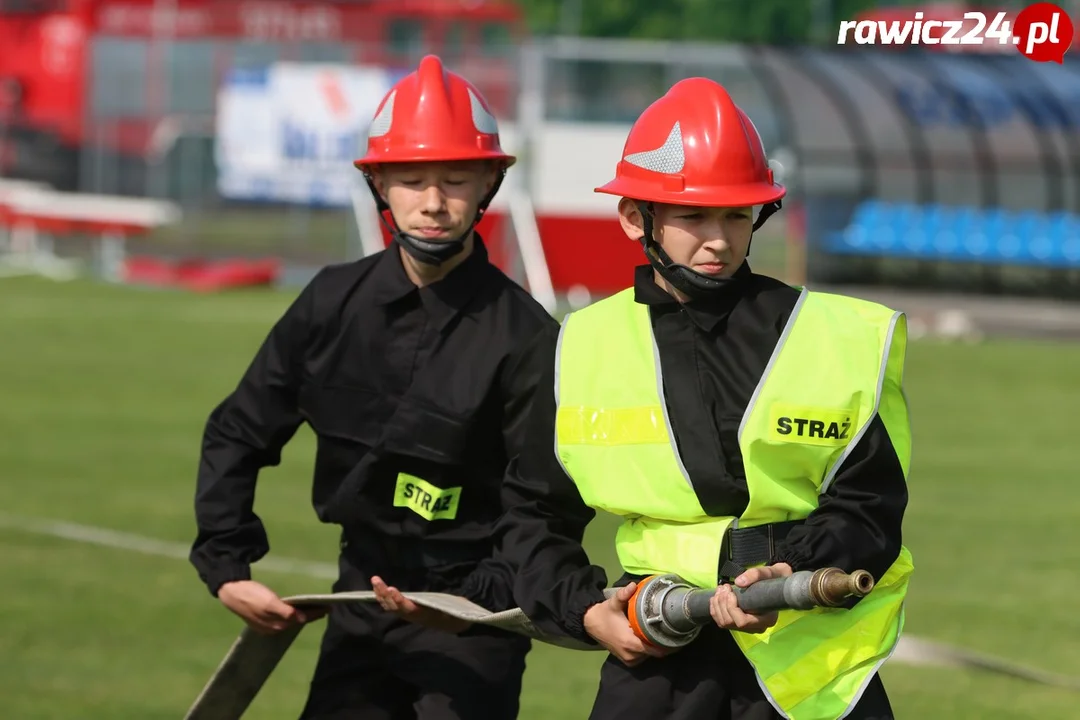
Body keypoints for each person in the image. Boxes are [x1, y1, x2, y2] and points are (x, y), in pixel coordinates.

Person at [419, 77, 914, 720]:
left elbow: (870, 510)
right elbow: (533, 514)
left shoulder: (840, 337)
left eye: (737, 215)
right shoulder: (578, 346)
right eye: (692, 216)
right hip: (658, 661)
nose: (718, 240)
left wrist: (789, 569)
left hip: (811, 669)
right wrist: (587, 610)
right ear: (635, 217)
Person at [188, 55, 558, 720]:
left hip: (470, 619)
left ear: (488, 186)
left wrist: (480, 599)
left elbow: (542, 503)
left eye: (455, 179)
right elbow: (239, 430)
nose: (434, 201)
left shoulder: (526, 336)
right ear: (379, 184)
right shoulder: (331, 301)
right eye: (412, 179)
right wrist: (227, 565)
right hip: (357, 604)